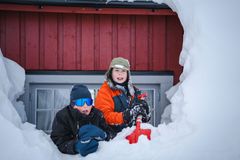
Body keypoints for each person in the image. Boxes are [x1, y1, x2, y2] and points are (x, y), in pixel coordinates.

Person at [51, 84, 116, 157]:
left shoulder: (97, 114)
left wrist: (104, 135)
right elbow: (58, 140)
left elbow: (112, 133)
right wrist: (76, 146)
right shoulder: (63, 116)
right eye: (81, 102)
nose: (85, 106)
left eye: (88, 102)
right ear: (73, 104)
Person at [95, 57, 151, 133]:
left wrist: (144, 112)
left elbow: (141, 113)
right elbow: (104, 116)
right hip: (114, 137)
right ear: (111, 72)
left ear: (128, 74)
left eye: (123, 71)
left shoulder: (133, 90)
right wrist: (125, 116)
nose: (120, 73)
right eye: (116, 70)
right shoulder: (105, 91)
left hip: (132, 134)